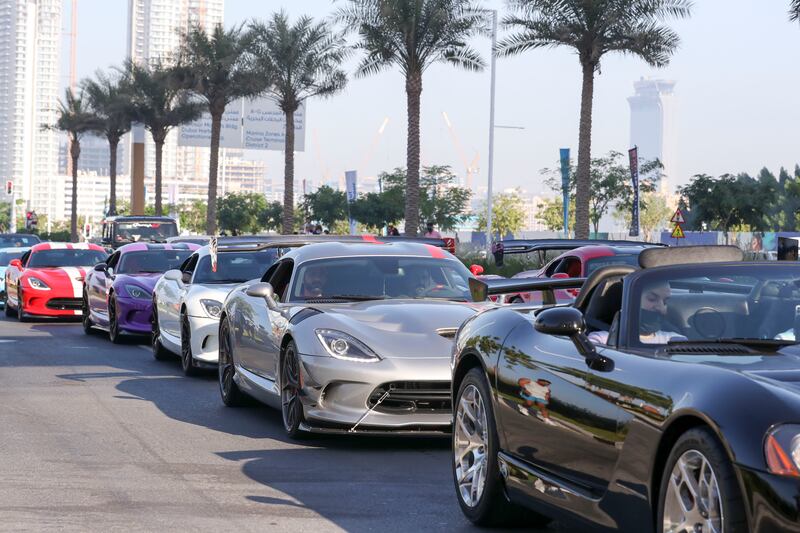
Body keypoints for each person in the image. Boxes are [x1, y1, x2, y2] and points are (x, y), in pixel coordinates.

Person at [588, 279, 685, 345]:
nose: (660, 307)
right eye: (652, 299)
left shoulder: (675, 340)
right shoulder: (601, 341)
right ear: (630, 301)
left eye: (665, 301)